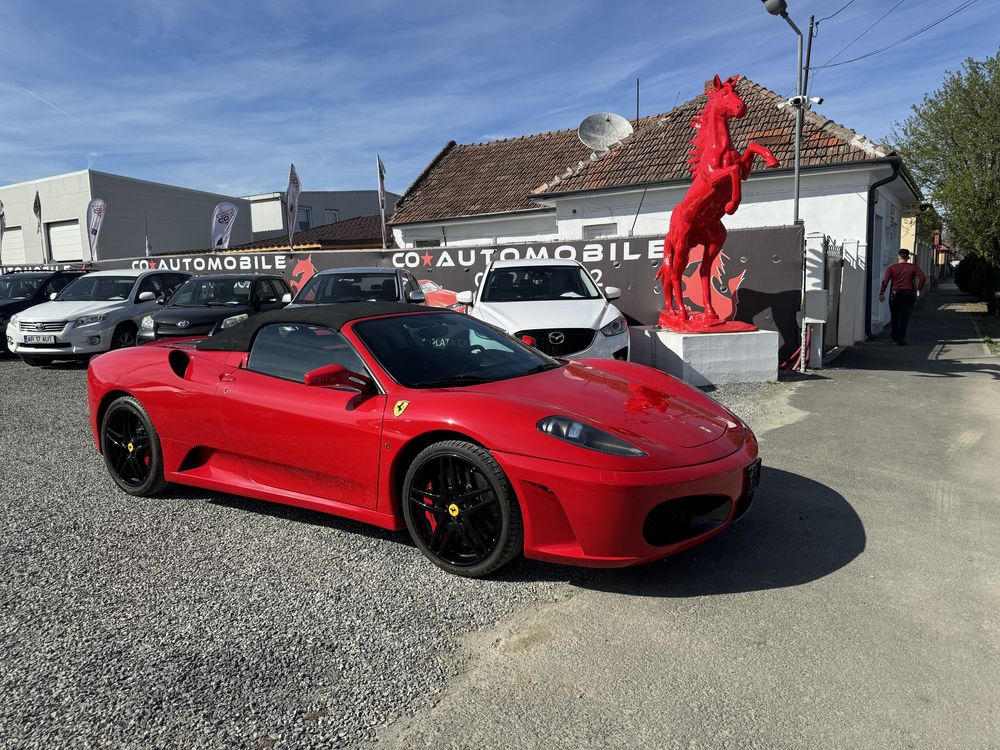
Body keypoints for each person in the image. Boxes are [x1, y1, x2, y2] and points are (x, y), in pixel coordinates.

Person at [879, 249, 926, 345]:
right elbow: (922, 278)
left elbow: (885, 281)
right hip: (908, 294)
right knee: (904, 317)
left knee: (895, 316)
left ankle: (894, 336)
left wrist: (881, 293)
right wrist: (918, 289)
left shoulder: (891, 268)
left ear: (898, 257)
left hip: (895, 294)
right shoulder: (913, 267)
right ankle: (901, 338)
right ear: (908, 257)